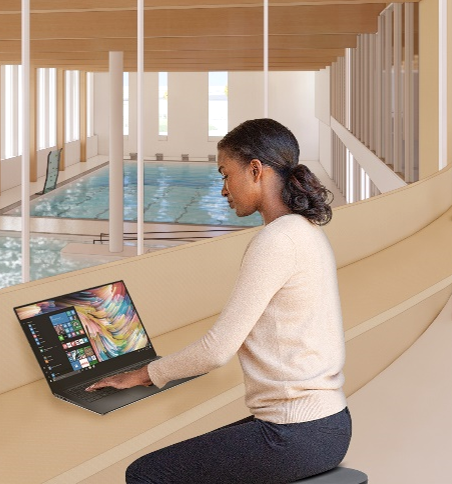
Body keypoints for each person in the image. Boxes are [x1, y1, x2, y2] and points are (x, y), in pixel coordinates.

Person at [85, 118, 351, 484]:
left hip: (297, 433)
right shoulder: (304, 231)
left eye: (226, 174)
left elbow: (216, 350)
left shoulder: (276, 241)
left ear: (255, 170)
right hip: (328, 423)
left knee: (146, 474)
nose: (224, 188)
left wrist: (144, 374)